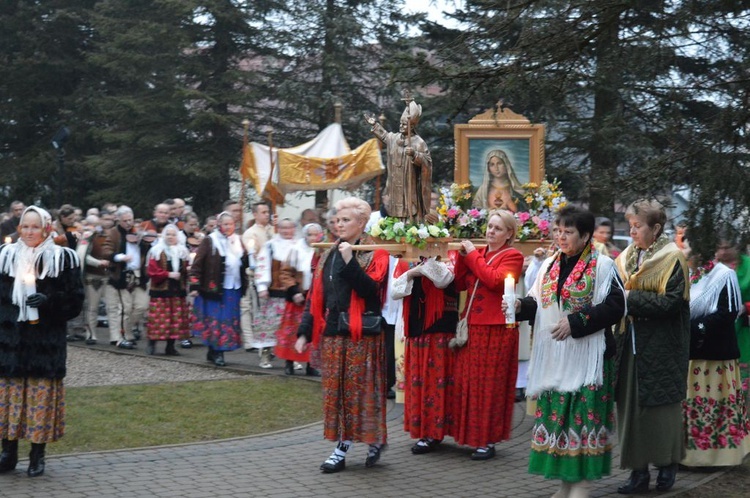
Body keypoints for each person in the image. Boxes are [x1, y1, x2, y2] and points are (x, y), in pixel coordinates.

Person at [508, 206, 625, 498]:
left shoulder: (604, 266)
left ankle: (582, 484)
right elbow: (541, 303)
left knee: (585, 418)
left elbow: (615, 307)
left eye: (568, 231)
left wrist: (576, 323)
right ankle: (565, 483)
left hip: (589, 358)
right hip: (558, 358)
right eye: (557, 230)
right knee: (559, 418)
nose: (561, 236)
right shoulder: (550, 265)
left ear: (585, 236)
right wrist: (522, 306)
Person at [295, 197, 390, 473]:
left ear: (362, 222)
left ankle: (365, 440)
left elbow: (370, 290)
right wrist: (304, 331)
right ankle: (344, 444)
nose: (339, 224)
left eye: (346, 220)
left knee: (360, 391)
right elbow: (317, 296)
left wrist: (350, 260)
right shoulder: (328, 252)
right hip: (334, 332)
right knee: (337, 393)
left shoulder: (375, 252)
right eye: (337, 220)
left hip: (363, 333)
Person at [0, 206, 84, 477]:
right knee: (10, 401)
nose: (29, 232)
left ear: (47, 228)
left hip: (44, 344)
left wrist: (50, 302)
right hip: (11, 344)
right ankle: (8, 453)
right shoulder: (5, 257)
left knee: (39, 401)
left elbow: (74, 302)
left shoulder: (63, 259)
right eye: (25, 226)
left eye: (35, 227)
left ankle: (38, 455)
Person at [614, 199, 690, 494]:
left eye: (637, 226)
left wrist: (629, 299)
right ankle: (638, 471)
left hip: (661, 346)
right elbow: (616, 293)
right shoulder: (626, 258)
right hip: (629, 343)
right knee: (631, 408)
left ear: (656, 229)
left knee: (659, 410)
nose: (632, 231)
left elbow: (671, 304)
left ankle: (667, 464)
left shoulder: (673, 259)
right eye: (630, 225)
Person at [452, 209, 524, 460]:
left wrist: (471, 255)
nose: (491, 231)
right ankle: (471, 436)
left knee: (490, 385)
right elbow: (459, 283)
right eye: (490, 226)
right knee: (469, 382)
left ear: (509, 234)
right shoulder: (479, 253)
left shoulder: (513, 255)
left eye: (497, 228)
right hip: (472, 324)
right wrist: (463, 258)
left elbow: (493, 280)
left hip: (496, 328)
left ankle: (488, 439)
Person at [681, 230, 750, 467]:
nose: (688, 252)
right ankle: (687, 457)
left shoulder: (723, 275)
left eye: (691, 247)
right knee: (691, 406)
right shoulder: (689, 275)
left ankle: (716, 458)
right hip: (691, 355)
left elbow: (728, 313)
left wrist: (695, 326)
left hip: (716, 355)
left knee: (714, 405)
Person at [391, 256, 458, 454]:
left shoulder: (449, 257)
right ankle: (425, 431)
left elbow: (444, 280)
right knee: (419, 382)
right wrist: (412, 272)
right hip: (417, 326)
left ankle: (436, 430)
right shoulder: (406, 260)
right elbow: (395, 290)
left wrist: (427, 264)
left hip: (440, 327)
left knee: (436, 381)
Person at [189, 212, 248, 367]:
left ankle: (214, 349)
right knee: (217, 321)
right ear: (218, 225)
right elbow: (197, 265)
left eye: (231, 224)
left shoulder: (238, 241)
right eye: (225, 224)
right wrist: (194, 285)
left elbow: (244, 261)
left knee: (228, 321)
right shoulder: (210, 241)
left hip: (233, 287)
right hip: (214, 289)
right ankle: (217, 352)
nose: (228, 227)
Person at [365, 100, 432, 222]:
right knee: (394, 208)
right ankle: (396, 226)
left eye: (405, 124)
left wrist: (415, 155)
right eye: (400, 123)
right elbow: (385, 136)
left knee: (409, 208)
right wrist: (374, 124)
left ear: (412, 126)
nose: (401, 126)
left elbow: (427, 162)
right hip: (394, 184)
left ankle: (410, 225)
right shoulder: (394, 138)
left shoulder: (419, 142)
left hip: (409, 185)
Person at [275, 223, 323, 376]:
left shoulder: (322, 251)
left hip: (315, 297)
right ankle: (289, 363)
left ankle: (311, 364)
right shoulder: (296, 249)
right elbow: (285, 273)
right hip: (298, 297)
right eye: (310, 235)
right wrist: (294, 291)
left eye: (316, 235)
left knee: (314, 330)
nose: (313, 238)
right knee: (292, 331)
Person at [254, 218, 298, 368]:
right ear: (278, 229)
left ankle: (293, 357)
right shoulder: (270, 246)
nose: (286, 231)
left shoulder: (299, 246)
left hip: (292, 294)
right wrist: (262, 286)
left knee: (292, 327)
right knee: (270, 326)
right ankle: (265, 355)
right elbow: (262, 266)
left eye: (290, 228)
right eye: (283, 228)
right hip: (274, 293)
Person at [105, 206, 150, 350]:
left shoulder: (137, 231)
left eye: (130, 220)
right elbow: (107, 250)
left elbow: (146, 250)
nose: (129, 223)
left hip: (138, 275)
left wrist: (144, 242)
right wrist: (120, 257)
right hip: (122, 274)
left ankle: (127, 330)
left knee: (142, 305)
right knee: (125, 308)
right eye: (125, 221)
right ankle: (121, 337)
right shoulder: (113, 232)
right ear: (118, 219)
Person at [146, 224, 190, 356]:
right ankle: (152, 343)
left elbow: (186, 269)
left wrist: (187, 271)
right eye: (168, 234)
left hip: (177, 291)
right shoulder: (157, 251)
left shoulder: (183, 252)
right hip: (161, 291)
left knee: (175, 320)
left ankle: (170, 346)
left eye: (174, 234)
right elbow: (152, 271)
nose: (171, 237)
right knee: (158, 320)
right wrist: (167, 274)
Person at [715, 233, 750, 395]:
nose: (722, 252)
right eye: (719, 248)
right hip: (716, 332)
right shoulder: (710, 267)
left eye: (727, 247)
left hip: (744, 332)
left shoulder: (748, 266)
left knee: (742, 387)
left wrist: (746, 307)